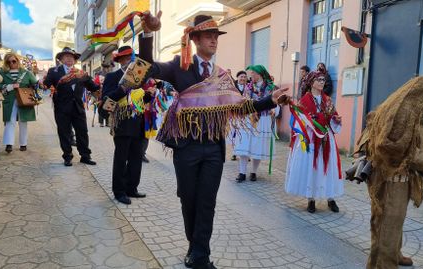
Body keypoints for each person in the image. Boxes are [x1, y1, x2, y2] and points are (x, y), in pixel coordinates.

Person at [141, 12, 288, 269]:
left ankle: (201, 256)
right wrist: (148, 34)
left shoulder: (222, 76)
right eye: (208, 35)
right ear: (194, 39)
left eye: (216, 35)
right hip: (186, 147)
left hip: (213, 149)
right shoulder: (179, 66)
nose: (214, 39)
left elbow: (241, 107)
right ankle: (194, 247)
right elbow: (146, 71)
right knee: (189, 199)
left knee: (207, 202)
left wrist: (270, 101)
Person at [354, 76, 423, 269]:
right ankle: (382, 264)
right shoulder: (401, 114)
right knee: (388, 221)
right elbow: (394, 146)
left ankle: (394, 253)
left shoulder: (410, 110)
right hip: (391, 176)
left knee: (395, 219)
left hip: (400, 176)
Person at [285, 71, 343, 213]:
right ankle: (311, 199)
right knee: (312, 167)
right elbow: (299, 121)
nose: (322, 82)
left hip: (325, 137)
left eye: (323, 80)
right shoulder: (304, 101)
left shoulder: (327, 100)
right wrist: (312, 122)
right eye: (319, 80)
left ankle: (331, 198)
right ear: (311, 83)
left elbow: (333, 116)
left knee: (328, 166)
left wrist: (336, 120)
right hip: (310, 137)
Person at [104, 45, 153, 205]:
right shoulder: (113, 77)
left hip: (139, 122)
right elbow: (106, 103)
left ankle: (132, 188)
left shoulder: (140, 77)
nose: (130, 61)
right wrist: (122, 89)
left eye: (132, 58)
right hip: (122, 123)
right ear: (120, 60)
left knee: (136, 157)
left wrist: (149, 96)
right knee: (121, 158)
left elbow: (140, 101)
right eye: (126, 58)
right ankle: (119, 191)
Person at [43, 47, 99, 166]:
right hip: (62, 108)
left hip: (78, 107)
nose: (69, 58)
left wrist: (103, 87)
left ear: (74, 60)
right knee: (64, 132)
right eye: (66, 56)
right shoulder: (54, 71)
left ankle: (85, 156)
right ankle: (67, 156)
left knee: (82, 132)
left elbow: (93, 87)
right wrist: (42, 83)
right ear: (61, 59)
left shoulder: (81, 73)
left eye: (72, 57)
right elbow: (46, 84)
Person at [234, 65, 279, 182]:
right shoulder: (248, 87)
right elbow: (243, 101)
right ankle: (242, 172)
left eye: (253, 73)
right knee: (244, 145)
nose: (250, 75)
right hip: (249, 119)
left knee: (258, 147)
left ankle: (253, 172)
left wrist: (274, 110)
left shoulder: (271, 88)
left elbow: (277, 103)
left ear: (260, 74)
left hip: (263, 119)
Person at [0, 53, 37, 153]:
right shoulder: (2, 73)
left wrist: (36, 87)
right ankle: (9, 144)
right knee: (9, 122)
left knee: (23, 121)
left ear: (17, 61)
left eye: (13, 61)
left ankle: (23, 144)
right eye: (9, 62)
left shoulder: (26, 73)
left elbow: (35, 84)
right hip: (9, 100)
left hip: (24, 100)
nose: (11, 63)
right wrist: (11, 86)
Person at [230, 70, 248, 161]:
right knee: (234, 133)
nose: (243, 78)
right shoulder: (233, 86)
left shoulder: (249, 87)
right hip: (234, 113)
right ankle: (234, 152)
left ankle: (245, 153)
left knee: (244, 133)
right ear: (237, 77)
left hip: (245, 114)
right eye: (241, 77)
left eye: (245, 77)